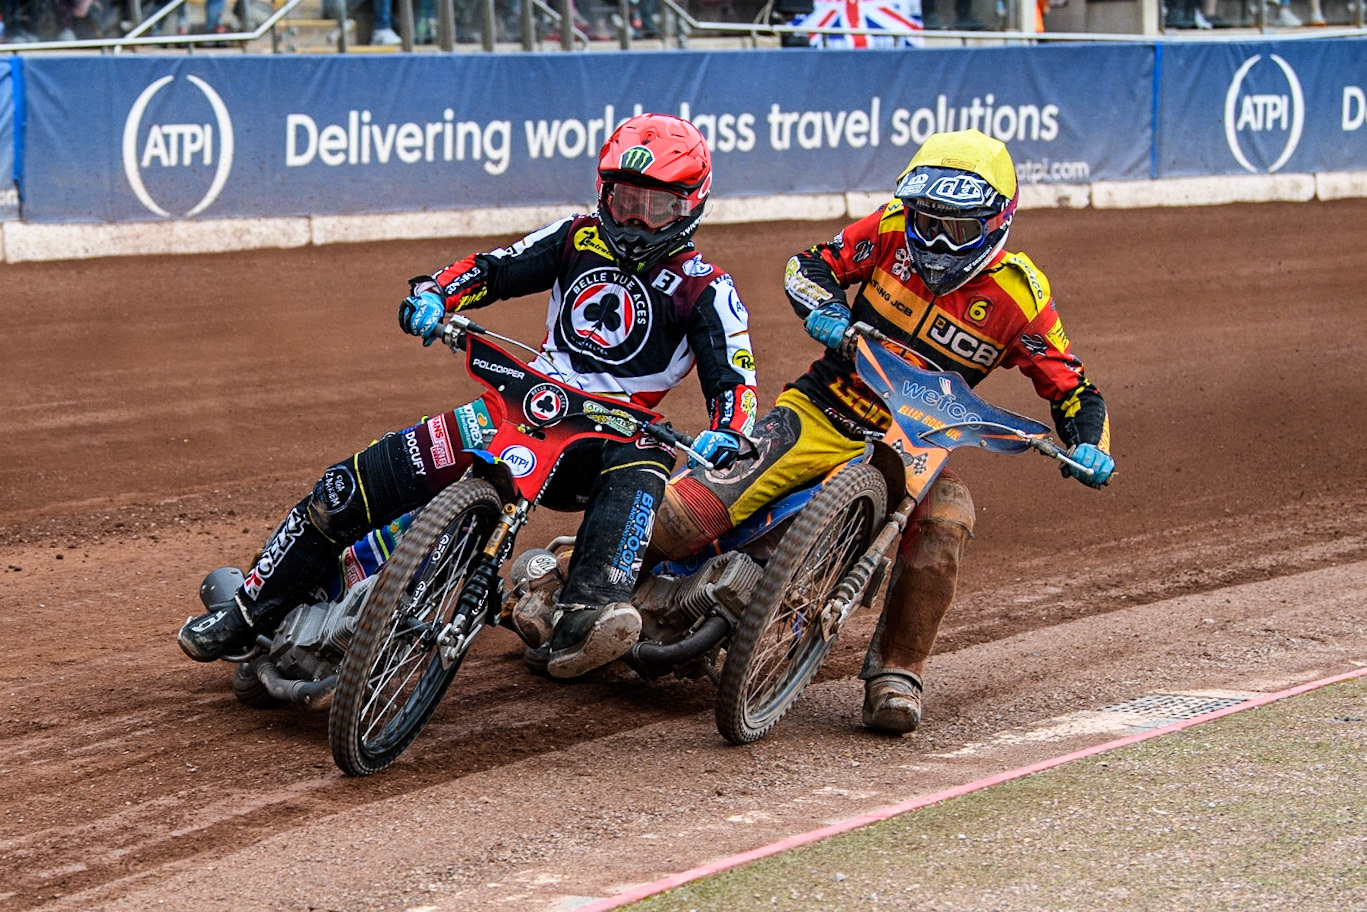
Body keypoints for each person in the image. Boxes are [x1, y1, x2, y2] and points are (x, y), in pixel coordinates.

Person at [178, 113, 758, 680]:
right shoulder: (575, 235)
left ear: (689, 205)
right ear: (602, 191)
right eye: (623, 198)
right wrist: (437, 293)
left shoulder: (708, 286)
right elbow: (494, 269)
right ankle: (249, 611)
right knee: (343, 488)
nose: (633, 216)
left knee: (646, 468)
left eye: (653, 205)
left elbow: (735, 379)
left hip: (613, 437)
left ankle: (586, 614)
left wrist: (729, 431)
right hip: (526, 403)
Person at [648, 129, 1114, 735]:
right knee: (682, 517)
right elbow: (809, 262)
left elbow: (1072, 388)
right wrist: (826, 307)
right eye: (929, 218)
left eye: (960, 228)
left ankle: (898, 673)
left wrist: (1088, 446)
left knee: (949, 517)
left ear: (998, 224)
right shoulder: (891, 229)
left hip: (919, 442)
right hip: (823, 407)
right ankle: (592, 577)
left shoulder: (1019, 297)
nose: (939, 240)